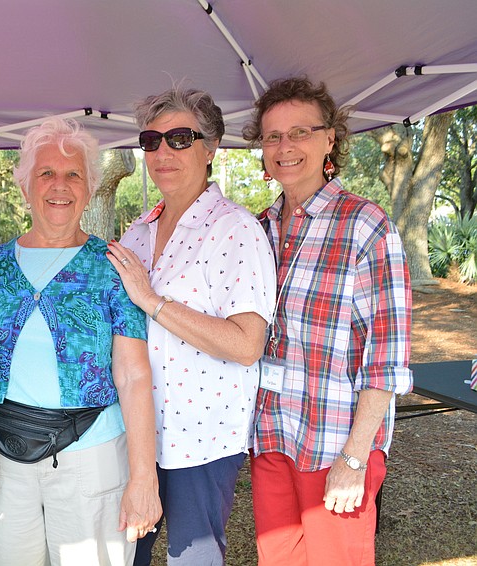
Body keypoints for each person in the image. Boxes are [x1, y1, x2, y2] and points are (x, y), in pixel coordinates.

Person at [0, 117, 161, 566]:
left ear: (90, 188)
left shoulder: (113, 265)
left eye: (73, 174)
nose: (60, 185)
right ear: (25, 187)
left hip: (91, 458)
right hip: (3, 457)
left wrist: (143, 478)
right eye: (46, 173)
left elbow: (133, 375)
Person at [241, 76, 413, 565]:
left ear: (330, 138)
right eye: (272, 136)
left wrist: (355, 458)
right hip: (272, 434)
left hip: (335, 441)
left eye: (300, 132)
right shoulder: (259, 228)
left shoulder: (366, 224)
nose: (285, 146)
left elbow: (387, 359)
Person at [107, 87, 277, 565]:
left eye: (180, 138)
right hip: (133, 431)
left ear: (210, 147)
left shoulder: (235, 229)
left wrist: (153, 301)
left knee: (192, 559)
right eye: (152, 140)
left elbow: (247, 344)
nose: (164, 152)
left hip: (199, 437)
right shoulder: (137, 232)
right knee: (122, 555)